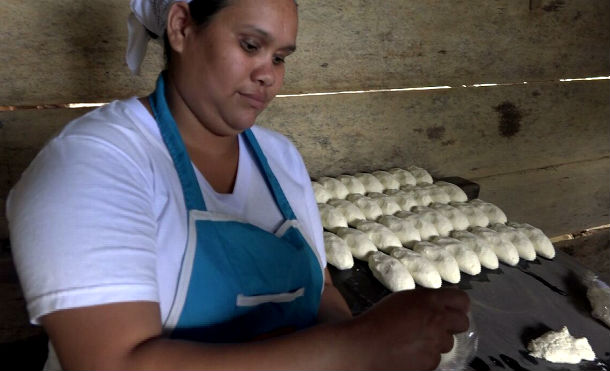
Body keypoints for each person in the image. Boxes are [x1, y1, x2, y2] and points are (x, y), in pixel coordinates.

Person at [7, 0, 470, 369]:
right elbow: (112, 364)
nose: (268, 75)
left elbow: (322, 292)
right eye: (251, 45)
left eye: (280, 57)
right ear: (182, 26)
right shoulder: (95, 163)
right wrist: (354, 348)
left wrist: (374, 349)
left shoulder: (279, 157)